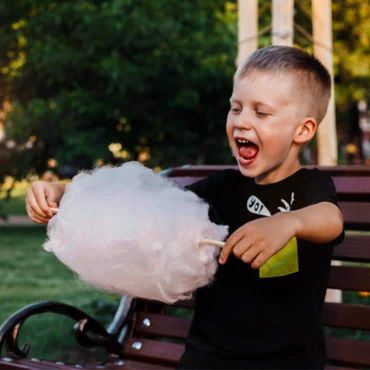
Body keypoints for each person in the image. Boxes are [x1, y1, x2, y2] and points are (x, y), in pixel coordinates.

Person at [26, 46, 344, 369]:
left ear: (302, 130)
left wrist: (288, 223)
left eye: (261, 113)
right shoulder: (221, 189)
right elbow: (147, 209)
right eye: (236, 108)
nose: (242, 122)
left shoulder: (310, 188)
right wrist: (64, 194)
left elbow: (331, 219)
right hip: (207, 360)